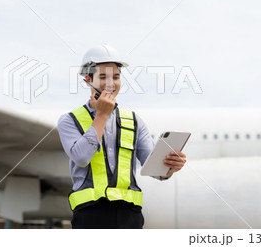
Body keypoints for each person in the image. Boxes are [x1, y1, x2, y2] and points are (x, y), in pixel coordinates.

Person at [57, 43, 186, 229]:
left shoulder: (134, 121)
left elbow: (153, 168)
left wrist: (170, 168)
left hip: (130, 216)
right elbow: (81, 157)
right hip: (90, 215)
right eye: (103, 77)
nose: (111, 83)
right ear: (87, 79)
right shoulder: (69, 121)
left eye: (116, 77)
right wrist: (101, 115)